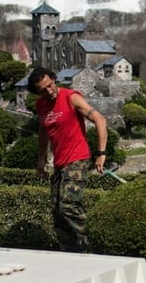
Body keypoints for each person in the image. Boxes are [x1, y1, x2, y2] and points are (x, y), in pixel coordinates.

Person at [28, 66, 108, 252]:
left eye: (50, 85)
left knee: (68, 205)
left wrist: (101, 154)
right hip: (59, 163)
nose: (50, 91)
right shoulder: (41, 105)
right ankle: (70, 251)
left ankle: (93, 242)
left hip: (78, 157)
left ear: (54, 79)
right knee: (57, 212)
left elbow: (100, 119)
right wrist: (41, 160)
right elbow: (43, 132)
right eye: (43, 90)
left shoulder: (70, 97)